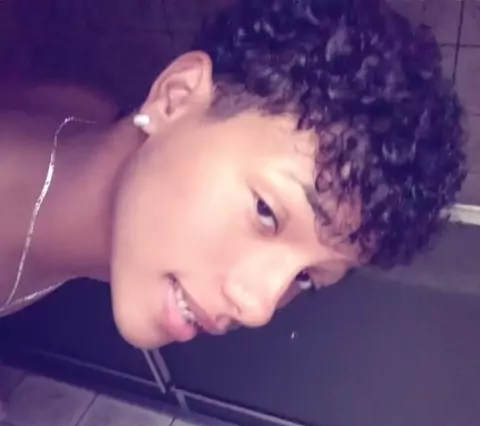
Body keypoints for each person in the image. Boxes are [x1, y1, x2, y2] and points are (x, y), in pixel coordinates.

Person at [0, 0, 466, 353]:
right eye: (266, 212)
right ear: (176, 98)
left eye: (306, 277)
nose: (258, 306)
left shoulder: (81, 107)